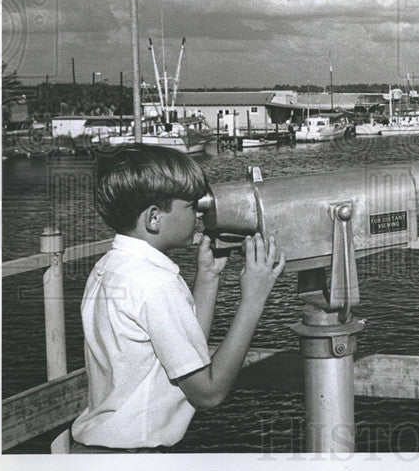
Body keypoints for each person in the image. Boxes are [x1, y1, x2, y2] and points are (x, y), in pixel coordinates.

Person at [70, 143, 285, 452]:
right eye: (191, 206)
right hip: (135, 462)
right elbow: (208, 393)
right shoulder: (156, 283)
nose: (201, 214)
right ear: (154, 218)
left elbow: (185, 350)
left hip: (98, 452)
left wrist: (208, 278)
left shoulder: (109, 269)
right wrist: (253, 299)